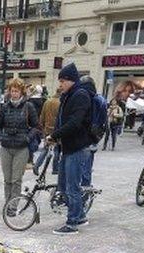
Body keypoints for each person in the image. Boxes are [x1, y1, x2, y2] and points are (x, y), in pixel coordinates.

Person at [47, 63, 95, 235]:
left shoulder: (80, 95)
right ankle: (80, 215)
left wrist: (55, 135)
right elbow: (63, 120)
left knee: (71, 187)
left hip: (77, 147)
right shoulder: (69, 95)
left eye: (62, 81)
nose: (60, 85)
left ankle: (72, 223)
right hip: (68, 147)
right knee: (63, 185)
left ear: (71, 80)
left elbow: (74, 123)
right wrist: (56, 136)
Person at [0, 78, 38, 205]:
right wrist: (0, 136)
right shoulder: (5, 107)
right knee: (7, 179)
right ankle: (7, 203)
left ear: (22, 92)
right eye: (12, 91)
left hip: (21, 147)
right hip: (6, 146)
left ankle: (13, 205)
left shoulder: (28, 107)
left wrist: (28, 138)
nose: (14, 94)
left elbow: (36, 126)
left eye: (17, 91)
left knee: (16, 179)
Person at [35, 91, 61, 174]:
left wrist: (42, 127)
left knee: (45, 148)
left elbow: (42, 116)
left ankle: (37, 165)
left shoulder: (47, 102)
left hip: (47, 129)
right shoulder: (61, 103)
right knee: (57, 149)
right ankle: (55, 168)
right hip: (57, 130)